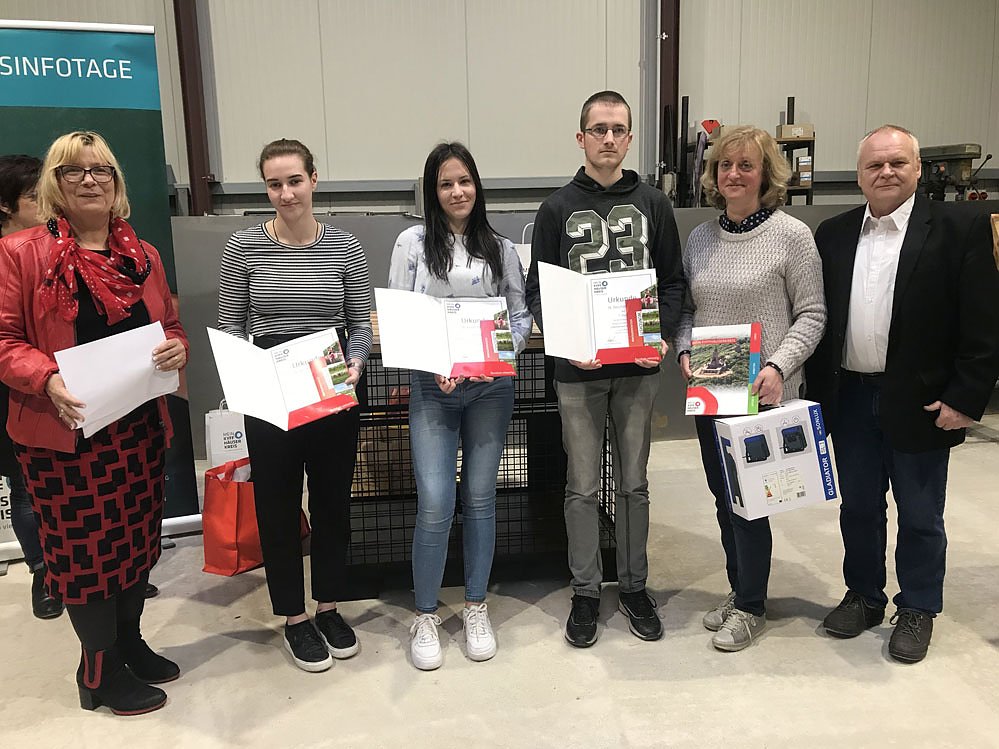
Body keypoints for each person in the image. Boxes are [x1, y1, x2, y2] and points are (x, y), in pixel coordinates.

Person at [0, 131, 189, 714]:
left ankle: (129, 644)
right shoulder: (21, 252)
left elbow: (169, 325)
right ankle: (98, 673)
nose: (89, 179)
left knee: (135, 546)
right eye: (74, 170)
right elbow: (4, 340)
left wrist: (177, 348)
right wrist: (46, 378)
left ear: (116, 181)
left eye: (101, 169)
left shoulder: (142, 255)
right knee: (85, 559)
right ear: (54, 182)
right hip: (65, 434)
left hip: (137, 430)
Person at [805, 125, 999, 663]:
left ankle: (917, 607)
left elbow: (984, 324)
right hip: (849, 398)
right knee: (858, 508)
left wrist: (965, 398)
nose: (885, 172)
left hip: (922, 401)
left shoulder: (960, 228)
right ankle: (864, 595)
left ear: (918, 169)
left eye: (897, 163)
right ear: (859, 174)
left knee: (919, 513)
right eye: (874, 165)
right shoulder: (835, 233)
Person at [525, 90, 685, 647]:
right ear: (581, 137)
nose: (609, 139)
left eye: (618, 129)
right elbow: (539, 290)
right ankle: (586, 591)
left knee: (634, 483)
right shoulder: (555, 209)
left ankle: (635, 585)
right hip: (579, 371)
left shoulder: (654, 204)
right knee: (582, 485)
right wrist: (565, 341)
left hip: (637, 369)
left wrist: (661, 337)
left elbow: (672, 280)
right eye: (599, 129)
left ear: (630, 137)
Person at [217, 138, 371, 673]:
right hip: (269, 395)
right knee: (277, 508)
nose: (286, 193)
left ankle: (328, 605)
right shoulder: (243, 247)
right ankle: (293, 615)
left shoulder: (346, 246)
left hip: (330, 390)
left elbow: (359, 325)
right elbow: (232, 327)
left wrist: (355, 365)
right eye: (274, 184)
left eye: (294, 181)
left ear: (313, 180)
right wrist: (243, 381)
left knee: (332, 504)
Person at [675, 125, 826, 651]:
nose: (733, 174)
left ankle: (752, 607)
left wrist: (780, 366)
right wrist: (684, 349)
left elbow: (812, 313)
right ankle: (741, 588)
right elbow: (688, 309)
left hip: (763, 390)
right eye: (725, 165)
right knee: (723, 496)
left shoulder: (792, 236)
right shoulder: (701, 238)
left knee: (752, 501)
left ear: (766, 175)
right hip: (714, 388)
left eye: (746, 165)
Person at [388, 142, 532, 670]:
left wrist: (495, 359)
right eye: (446, 183)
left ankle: (475, 605)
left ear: (477, 186)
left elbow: (519, 317)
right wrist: (432, 366)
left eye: (465, 181)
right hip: (434, 390)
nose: (457, 192)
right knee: (434, 501)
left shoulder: (501, 248)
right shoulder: (411, 244)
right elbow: (400, 317)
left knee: (479, 496)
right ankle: (425, 614)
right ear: (432, 191)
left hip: (490, 390)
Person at [0, 154, 63, 620]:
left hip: (63, 382)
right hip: (12, 388)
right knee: (23, 486)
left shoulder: (61, 246)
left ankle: (97, 570)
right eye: (35, 198)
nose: (48, 206)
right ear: (5, 206)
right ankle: (43, 571)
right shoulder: (9, 256)